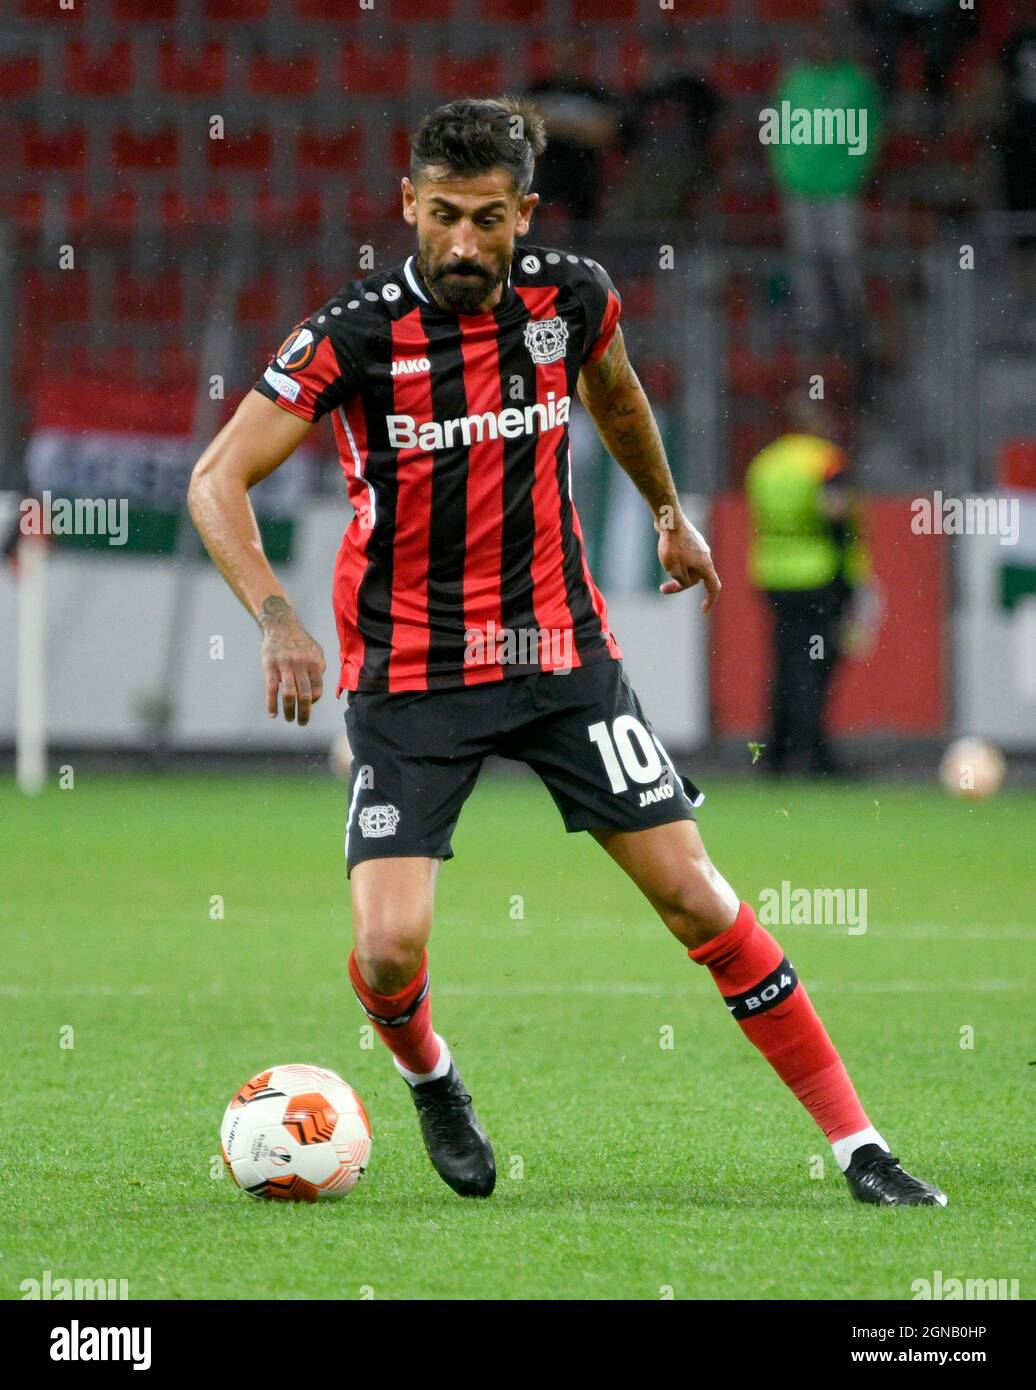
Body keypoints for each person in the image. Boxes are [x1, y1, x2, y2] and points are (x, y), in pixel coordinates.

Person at [188, 98, 944, 1208]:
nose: (460, 243)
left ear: (523, 213)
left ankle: (858, 1147)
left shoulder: (570, 297)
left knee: (697, 898)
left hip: (558, 653)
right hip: (411, 672)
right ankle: (430, 1076)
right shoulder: (351, 333)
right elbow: (215, 480)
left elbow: (619, 394)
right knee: (390, 950)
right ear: (407, 205)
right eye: (440, 215)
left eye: (487, 220)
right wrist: (275, 617)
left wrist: (672, 512)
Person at [746, 392, 875, 777]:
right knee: (817, 664)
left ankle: (776, 754)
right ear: (819, 423)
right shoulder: (825, 462)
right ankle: (814, 752)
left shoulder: (766, 463)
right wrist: (851, 573)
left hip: (773, 576)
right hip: (819, 576)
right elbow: (835, 512)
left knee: (785, 662)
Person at [767, 29, 882, 364]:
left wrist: (855, 171)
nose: (823, 44)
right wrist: (788, 172)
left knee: (846, 256)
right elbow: (779, 127)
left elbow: (870, 129)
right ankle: (813, 327)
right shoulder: (794, 81)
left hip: (842, 186)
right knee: (805, 258)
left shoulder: (856, 81)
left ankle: (852, 323)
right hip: (800, 187)